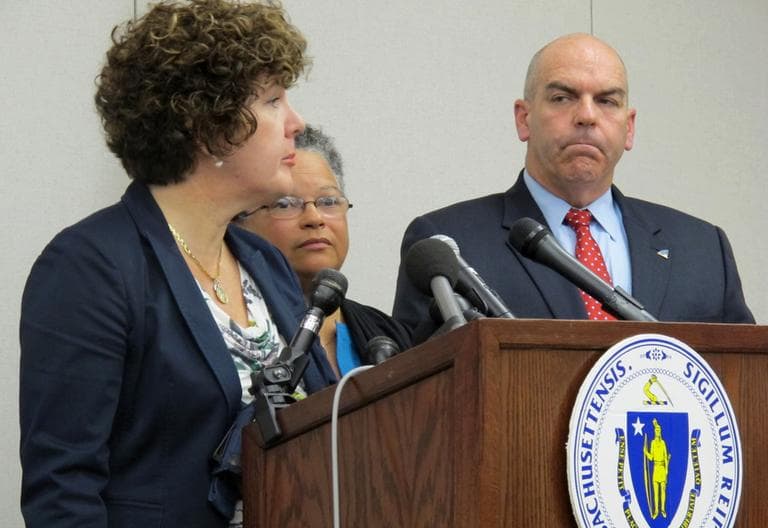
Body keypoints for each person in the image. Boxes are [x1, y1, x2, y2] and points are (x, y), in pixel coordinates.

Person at [18, 2, 337, 527]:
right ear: (205, 124)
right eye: (274, 100)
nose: (297, 123)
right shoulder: (90, 267)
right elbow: (64, 491)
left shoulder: (264, 262)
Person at [392, 33, 754, 340]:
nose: (586, 116)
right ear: (524, 119)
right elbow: (417, 398)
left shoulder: (704, 250)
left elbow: (748, 384)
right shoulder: (447, 246)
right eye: (562, 98)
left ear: (629, 128)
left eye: (606, 101)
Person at [237, 125, 411, 376]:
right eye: (285, 204)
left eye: (328, 201)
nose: (314, 218)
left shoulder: (386, 334)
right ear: (239, 221)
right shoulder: (231, 330)